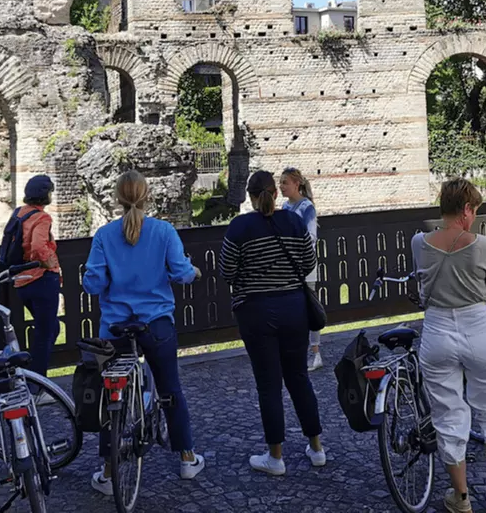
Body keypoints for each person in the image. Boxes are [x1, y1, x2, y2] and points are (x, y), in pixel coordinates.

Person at [82, 170, 205, 493]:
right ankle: (187, 457)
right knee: (170, 389)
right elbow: (180, 273)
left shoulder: (105, 235)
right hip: (156, 323)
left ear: (117, 198)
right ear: (147, 195)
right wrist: (193, 271)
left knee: (113, 396)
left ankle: (109, 473)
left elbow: (92, 283)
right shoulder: (164, 231)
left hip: (115, 327)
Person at [412, 178, 486, 513]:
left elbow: (422, 285)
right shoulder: (480, 243)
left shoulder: (420, 242)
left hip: (438, 331)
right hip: (478, 328)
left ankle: (462, 498)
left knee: (449, 414)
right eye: (475, 212)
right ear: (467, 209)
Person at [220, 170, 324, 475]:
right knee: (299, 378)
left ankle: (275, 457)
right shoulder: (292, 221)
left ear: (250, 197)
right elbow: (308, 262)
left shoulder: (239, 227)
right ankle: (317, 448)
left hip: (256, 312)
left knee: (269, 384)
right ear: (275, 194)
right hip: (294, 308)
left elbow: (227, 271)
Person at [9, 175, 61, 378]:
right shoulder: (42, 217)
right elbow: (39, 246)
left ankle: (32, 371)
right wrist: (49, 262)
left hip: (22, 280)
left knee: (50, 328)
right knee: (44, 333)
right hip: (41, 279)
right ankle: (37, 383)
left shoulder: (19, 213)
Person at [280, 167, 322, 371]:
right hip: (288, 266)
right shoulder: (284, 207)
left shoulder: (307, 208)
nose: (281, 187)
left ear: (296, 184)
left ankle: (315, 352)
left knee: (310, 307)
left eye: (285, 183)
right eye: (280, 183)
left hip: (305, 265)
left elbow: (311, 237)